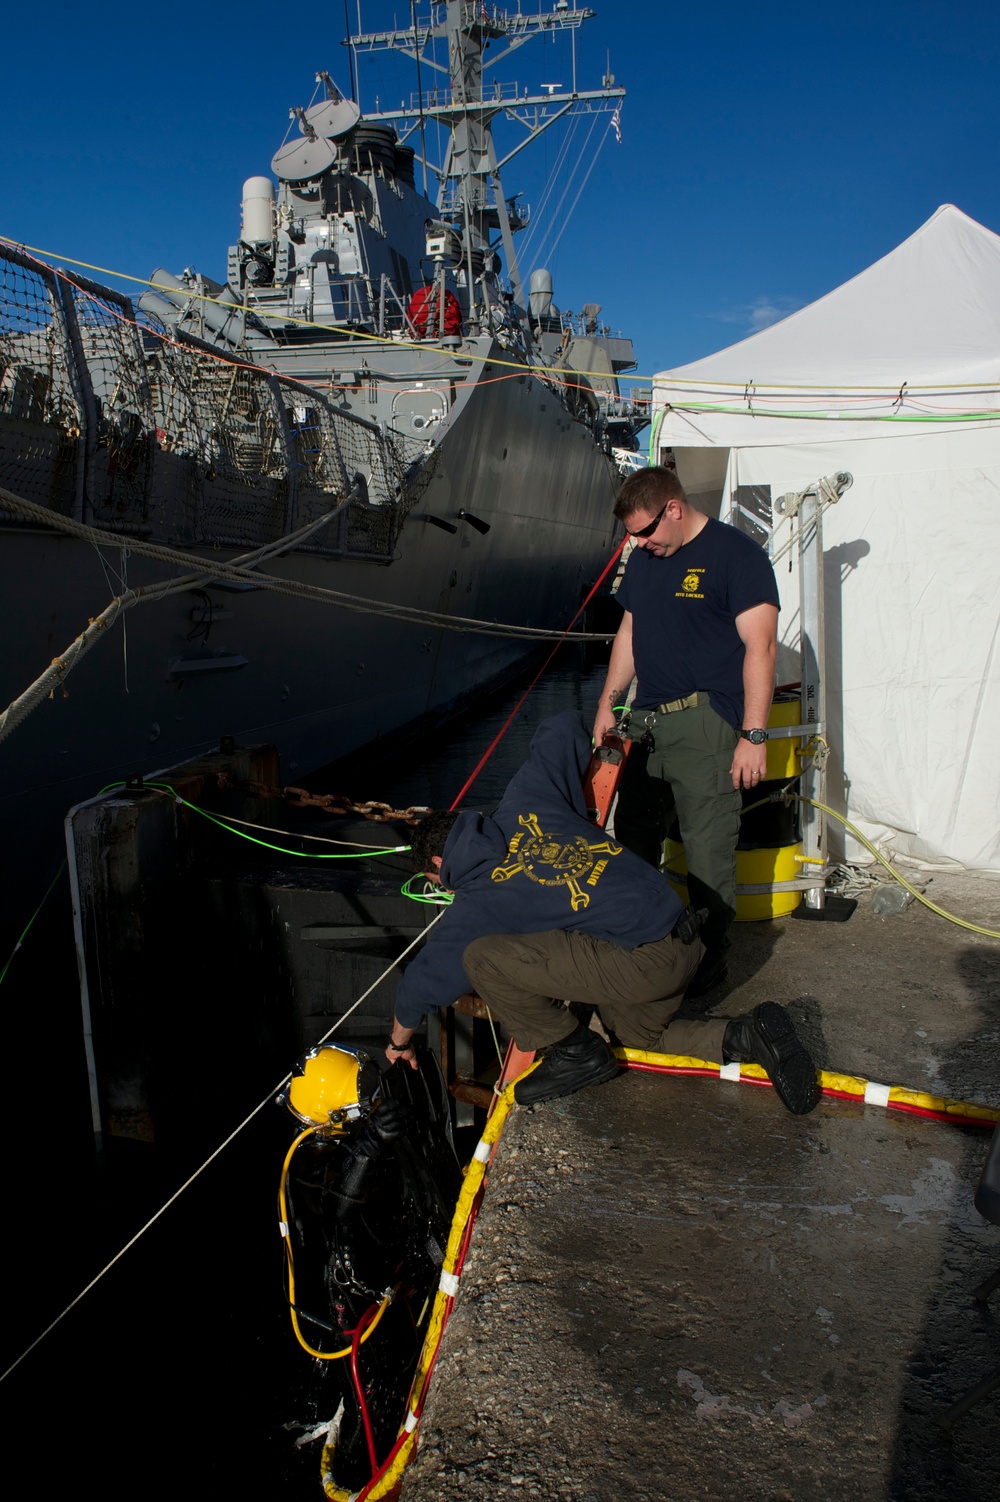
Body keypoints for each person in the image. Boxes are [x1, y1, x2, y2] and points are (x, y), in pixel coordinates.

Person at [385, 711, 819, 1114]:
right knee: (636, 1036)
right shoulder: (526, 796)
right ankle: (749, 1034)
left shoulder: (478, 900)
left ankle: (575, 1053)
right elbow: (562, 726)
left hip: (648, 961)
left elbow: (426, 981)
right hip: (683, 931)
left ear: (439, 866)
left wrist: (398, 1043)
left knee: (480, 959)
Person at [593, 467, 780, 998]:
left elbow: (760, 648)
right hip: (645, 724)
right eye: (633, 537)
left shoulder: (737, 556)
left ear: (673, 508)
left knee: (707, 853)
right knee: (632, 842)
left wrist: (754, 735)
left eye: (646, 532)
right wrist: (608, 703)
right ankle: (640, 945)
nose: (641, 544)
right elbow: (630, 632)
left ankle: (707, 965)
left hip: (705, 723)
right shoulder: (647, 560)